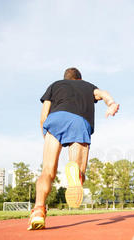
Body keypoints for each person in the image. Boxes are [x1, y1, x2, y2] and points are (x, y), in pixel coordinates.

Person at [28, 67, 119, 230]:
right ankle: (76, 174)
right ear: (79, 79)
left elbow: (43, 115)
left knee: (47, 171)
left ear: (65, 78)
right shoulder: (88, 86)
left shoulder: (55, 85)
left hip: (55, 119)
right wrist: (111, 104)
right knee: (79, 172)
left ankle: (38, 211)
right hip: (78, 121)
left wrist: (47, 135)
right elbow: (103, 93)